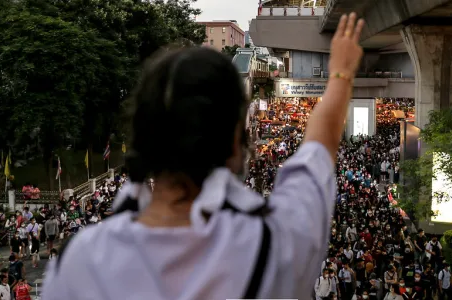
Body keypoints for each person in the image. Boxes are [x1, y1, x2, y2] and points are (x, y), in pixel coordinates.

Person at [42, 12, 365, 300]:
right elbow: (317, 149)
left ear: (142, 137)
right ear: (237, 142)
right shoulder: (275, 244)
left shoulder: (80, 260)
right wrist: (340, 75)